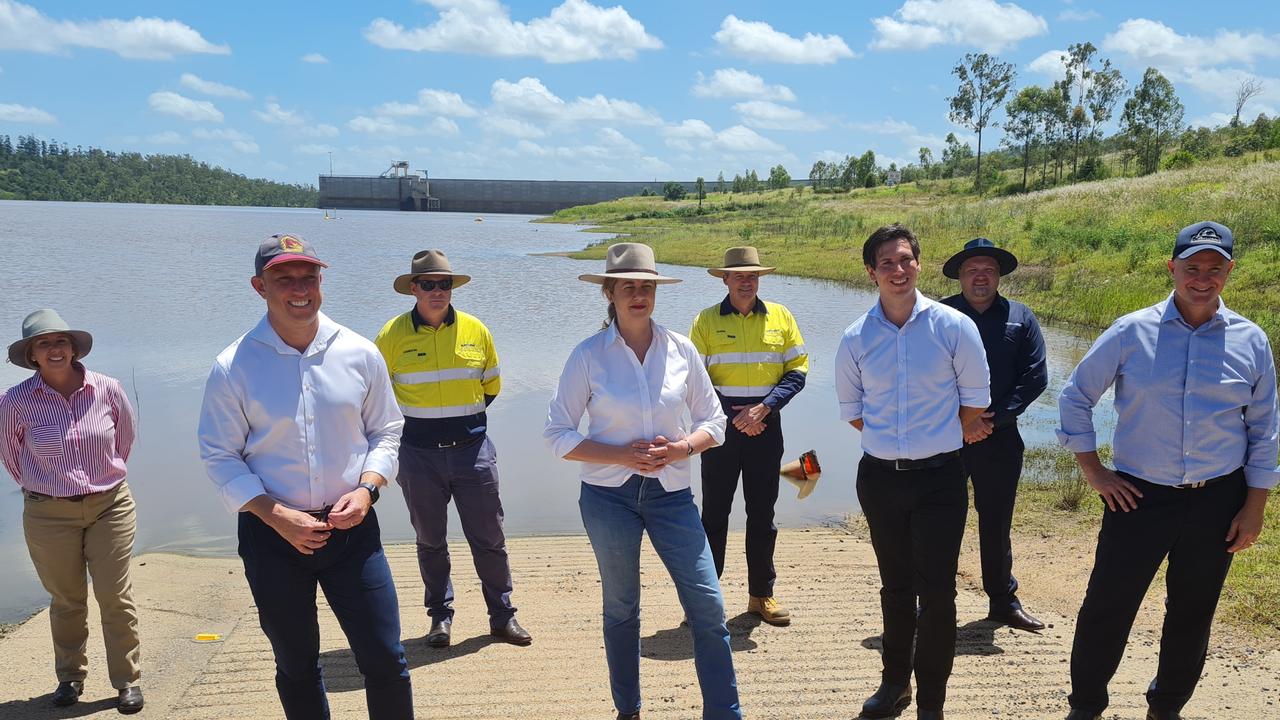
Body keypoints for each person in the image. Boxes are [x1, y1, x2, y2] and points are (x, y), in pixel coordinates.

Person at [1057, 221, 1277, 720]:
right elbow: (1074, 398)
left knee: (1193, 613)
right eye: (1192, 267)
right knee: (1107, 609)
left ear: (1230, 271)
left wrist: (1254, 506)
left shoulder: (1251, 340)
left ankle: (1167, 707)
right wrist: (1094, 472)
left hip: (1219, 499)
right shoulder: (1130, 331)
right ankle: (1086, 706)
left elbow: (1265, 429)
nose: (1202, 278)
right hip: (1138, 497)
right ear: (1172, 267)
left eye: (1214, 268)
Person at [197, 234, 413, 720]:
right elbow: (219, 455)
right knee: (296, 664)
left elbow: (387, 430)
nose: (300, 288)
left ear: (321, 282)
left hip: (353, 531)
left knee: (386, 658)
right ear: (259, 286)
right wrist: (275, 515)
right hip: (271, 535)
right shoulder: (233, 366)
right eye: (284, 278)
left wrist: (368, 488)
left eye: (309, 276)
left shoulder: (359, 352)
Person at [544, 242, 741, 720]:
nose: (638, 295)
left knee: (709, 608)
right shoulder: (588, 355)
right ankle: (628, 710)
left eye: (646, 286)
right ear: (608, 293)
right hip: (608, 497)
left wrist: (681, 449)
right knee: (622, 608)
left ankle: (724, 713)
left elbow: (714, 422)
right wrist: (618, 454)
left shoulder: (681, 349)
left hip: (672, 495)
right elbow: (557, 435)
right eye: (627, 286)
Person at [835, 224, 991, 720]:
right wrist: (895, 440)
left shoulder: (953, 326)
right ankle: (894, 684)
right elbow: (857, 412)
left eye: (905, 260)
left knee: (939, 594)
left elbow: (974, 406)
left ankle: (933, 703)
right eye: (886, 263)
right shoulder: (855, 337)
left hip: (940, 480)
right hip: (880, 479)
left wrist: (926, 439)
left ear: (918, 263)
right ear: (870, 272)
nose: (897, 271)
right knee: (896, 588)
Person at [374, 249, 529, 648]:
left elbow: (491, 386)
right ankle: (440, 618)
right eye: (428, 284)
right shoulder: (391, 335)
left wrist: (461, 424)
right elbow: (376, 397)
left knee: (490, 539)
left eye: (445, 284)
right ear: (414, 289)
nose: (437, 291)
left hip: (472, 452)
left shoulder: (477, 329)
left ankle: (502, 616)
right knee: (430, 541)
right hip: (417, 456)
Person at [1, 309, 144, 714]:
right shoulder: (14, 402)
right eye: (43, 343)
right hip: (48, 514)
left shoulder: (108, 389)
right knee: (66, 599)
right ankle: (70, 677)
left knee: (114, 595)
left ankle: (127, 681)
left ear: (74, 347)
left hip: (110, 506)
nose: (54, 349)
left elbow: (125, 440)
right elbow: (12, 458)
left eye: (60, 341)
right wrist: (51, 489)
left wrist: (97, 481)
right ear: (32, 355)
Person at [689, 246, 807, 626]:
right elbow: (695, 379)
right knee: (714, 516)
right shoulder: (705, 321)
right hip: (720, 428)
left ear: (760, 278)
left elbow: (798, 370)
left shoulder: (781, 316)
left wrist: (764, 408)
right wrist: (733, 417)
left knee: (762, 514)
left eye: (752, 275)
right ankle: (706, 602)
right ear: (724, 279)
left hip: (766, 424)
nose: (746, 280)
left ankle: (761, 595)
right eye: (738, 275)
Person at [940, 238, 1048, 631]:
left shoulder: (1021, 318)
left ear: (999, 275)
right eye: (972, 270)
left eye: (987, 269)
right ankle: (934, 602)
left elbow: (1035, 378)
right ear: (961, 277)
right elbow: (922, 375)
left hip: (1000, 437)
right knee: (941, 520)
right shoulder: (941, 315)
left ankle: (1002, 600)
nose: (980, 276)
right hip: (946, 438)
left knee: (996, 521)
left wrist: (991, 420)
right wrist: (960, 421)